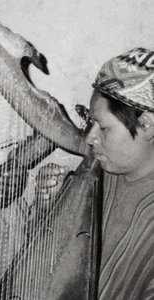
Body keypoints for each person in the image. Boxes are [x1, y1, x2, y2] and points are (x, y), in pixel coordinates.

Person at [85, 47, 154, 299]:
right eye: (90, 122)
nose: (91, 138)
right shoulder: (102, 170)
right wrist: (45, 202)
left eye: (103, 127)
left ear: (146, 125)